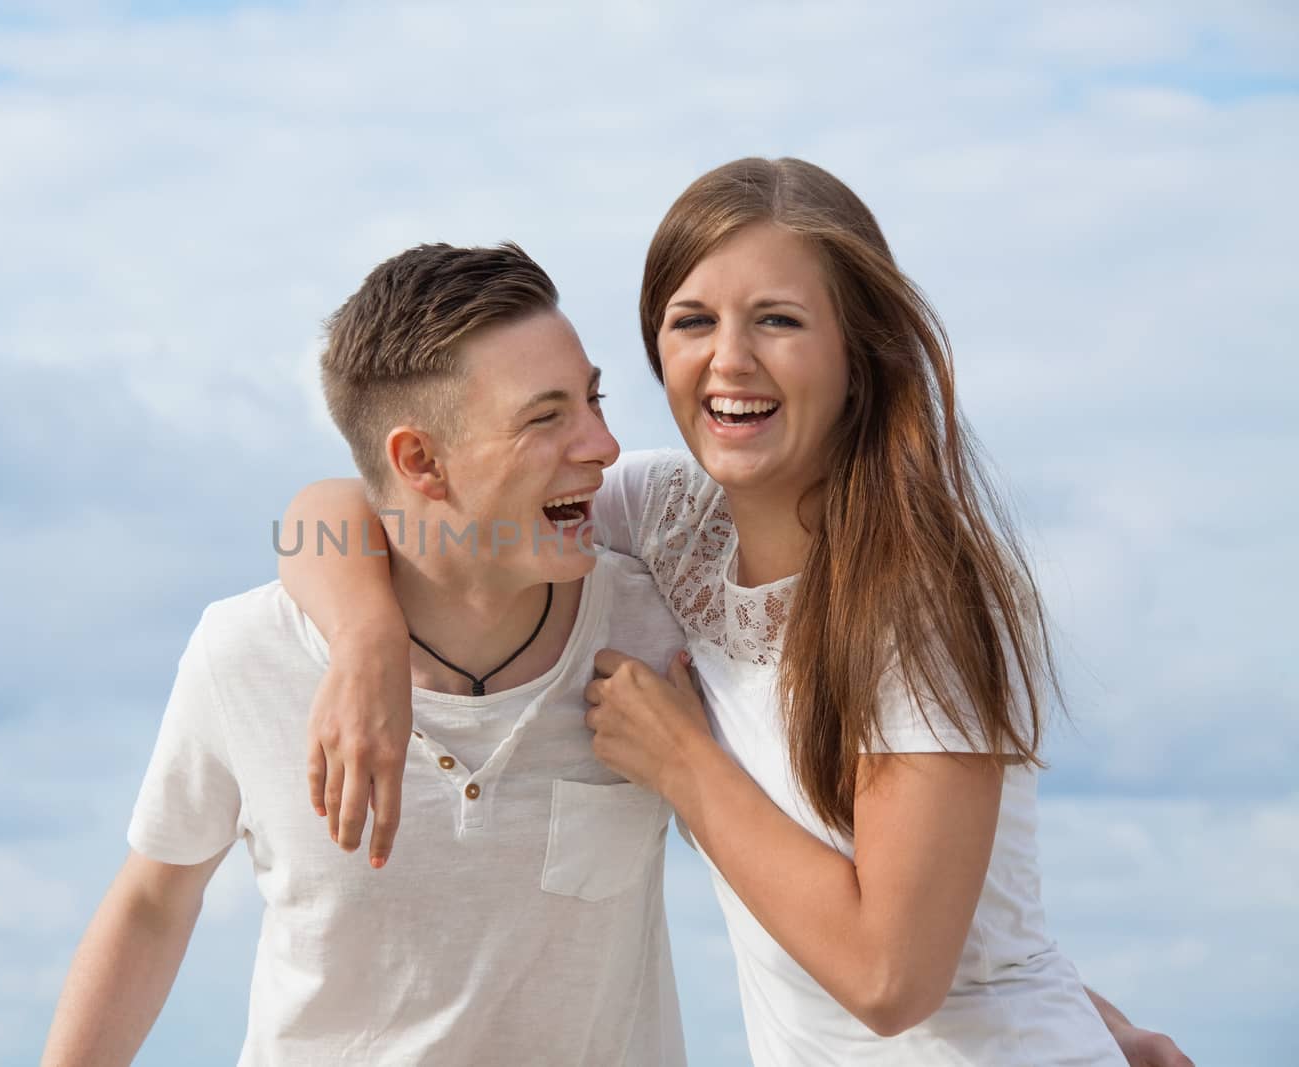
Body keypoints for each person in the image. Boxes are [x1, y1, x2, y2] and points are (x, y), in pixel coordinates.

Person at [280, 159, 1195, 1065]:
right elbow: (361, 504)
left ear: (860, 353)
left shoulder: (920, 600)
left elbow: (890, 978)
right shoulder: (667, 518)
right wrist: (366, 643)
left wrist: (685, 762)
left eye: (779, 321)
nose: (729, 360)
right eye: (692, 322)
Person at [39, 242, 692, 1066]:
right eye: (546, 416)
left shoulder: (657, 632)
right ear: (419, 461)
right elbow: (152, 904)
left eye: (593, 399)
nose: (602, 443)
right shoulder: (247, 653)